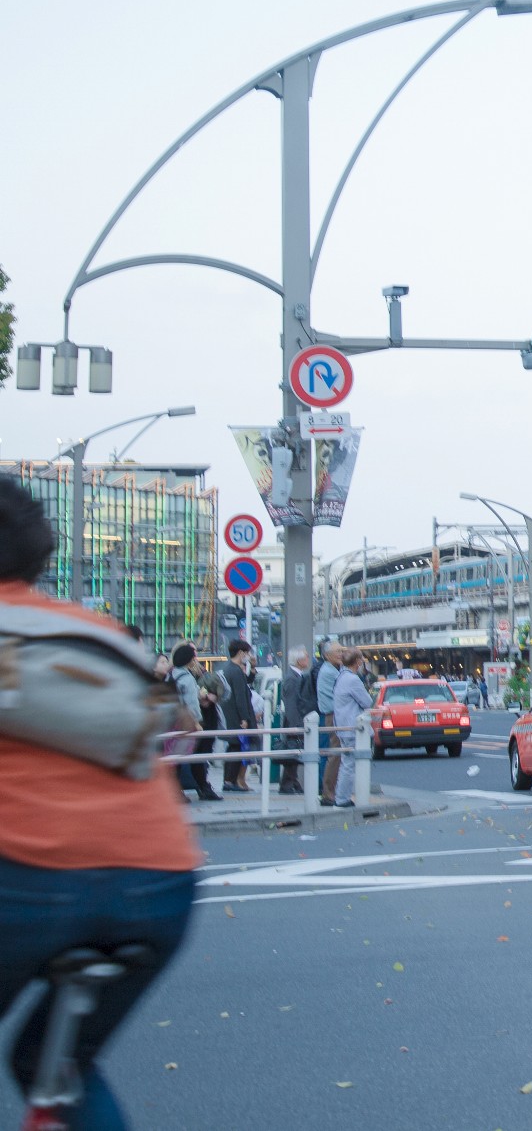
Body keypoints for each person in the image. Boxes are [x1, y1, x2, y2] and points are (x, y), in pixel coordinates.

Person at [0, 477, 201, 1130]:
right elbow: (163, 732)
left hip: (28, 873)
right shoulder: (102, 632)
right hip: (163, 879)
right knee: (56, 1064)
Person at [167, 646, 220, 802]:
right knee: (195, 757)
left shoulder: (172, 675)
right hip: (186, 723)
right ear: (189, 660)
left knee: (176, 759)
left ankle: (181, 790)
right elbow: (191, 703)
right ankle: (200, 789)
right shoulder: (187, 678)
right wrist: (196, 722)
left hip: (173, 722)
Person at [327, 650, 372, 810]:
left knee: (348, 762)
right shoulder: (352, 680)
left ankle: (342, 797)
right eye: (361, 660)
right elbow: (367, 701)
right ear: (357, 662)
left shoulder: (340, 677)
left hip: (343, 726)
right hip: (353, 727)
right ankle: (342, 798)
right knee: (350, 764)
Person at [219, 639, 257, 792]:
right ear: (241, 653)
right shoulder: (235, 671)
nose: (248, 656)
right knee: (236, 748)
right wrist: (245, 718)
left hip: (230, 715)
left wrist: (252, 669)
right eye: (247, 653)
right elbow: (241, 697)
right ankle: (230, 781)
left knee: (234, 746)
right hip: (237, 717)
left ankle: (229, 780)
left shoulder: (228, 669)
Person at [279, 646, 317, 796]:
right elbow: (291, 705)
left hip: (297, 721)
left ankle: (292, 782)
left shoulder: (297, 677)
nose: (308, 659)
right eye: (306, 656)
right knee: (293, 753)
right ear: (299, 660)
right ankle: (288, 783)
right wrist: (296, 725)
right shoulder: (292, 679)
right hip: (294, 723)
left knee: (295, 754)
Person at [316, 641, 342, 806]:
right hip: (332, 715)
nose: (341, 654)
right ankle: (328, 791)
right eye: (337, 651)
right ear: (327, 655)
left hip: (333, 714)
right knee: (334, 754)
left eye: (341, 651)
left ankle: (330, 790)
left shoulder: (332, 670)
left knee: (335, 754)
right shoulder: (329, 672)